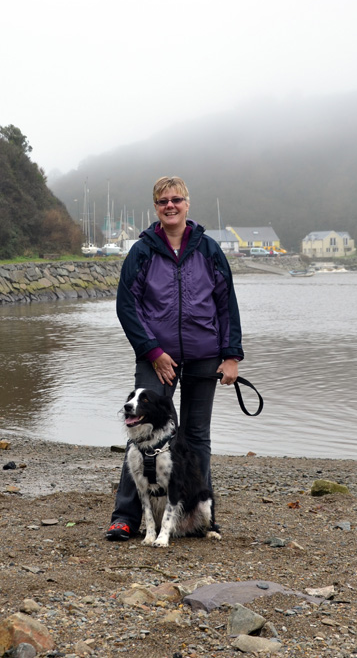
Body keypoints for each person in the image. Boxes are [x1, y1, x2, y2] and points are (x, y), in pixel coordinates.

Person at [106, 176, 244, 541]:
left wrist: (231, 355)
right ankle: (124, 517)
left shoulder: (209, 249)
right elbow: (127, 307)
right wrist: (153, 352)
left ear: (187, 204)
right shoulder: (142, 251)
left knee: (196, 437)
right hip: (156, 358)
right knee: (140, 432)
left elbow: (226, 305)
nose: (170, 206)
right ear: (155, 207)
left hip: (204, 355)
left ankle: (197, 516)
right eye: (163, 201)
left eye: (176, 199)